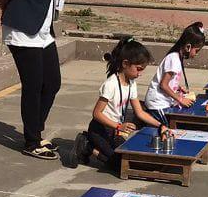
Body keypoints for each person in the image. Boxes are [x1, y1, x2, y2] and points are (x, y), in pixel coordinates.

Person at [0, 0, 81, 160]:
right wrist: (9, 15)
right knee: (33, 85)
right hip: (23, 32)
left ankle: (35, 131)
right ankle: (32, 141)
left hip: (43, 32)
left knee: (52, 82)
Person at [69, 37, 166, 172]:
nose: (140, 74)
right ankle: (86, 145)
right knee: (119, 165)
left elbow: (140, 112)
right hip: (100, 130)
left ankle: (93, 147)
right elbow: (97, 113)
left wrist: (162, 126)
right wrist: (119, 126)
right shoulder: (111, 84)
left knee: (128, 159)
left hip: (115, 131)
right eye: (138, 69)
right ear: (125, 63)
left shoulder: (131, 83)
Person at [144, 22, 206, 120]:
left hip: (165, 102)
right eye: (196, 51)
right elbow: (163, 85)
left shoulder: (177, 58)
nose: (196, 54)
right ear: (188, 47)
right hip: (157, 104)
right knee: (166, 129)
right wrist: (180, 99)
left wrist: (178, 88)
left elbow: (169, 82)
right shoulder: (174, 59)